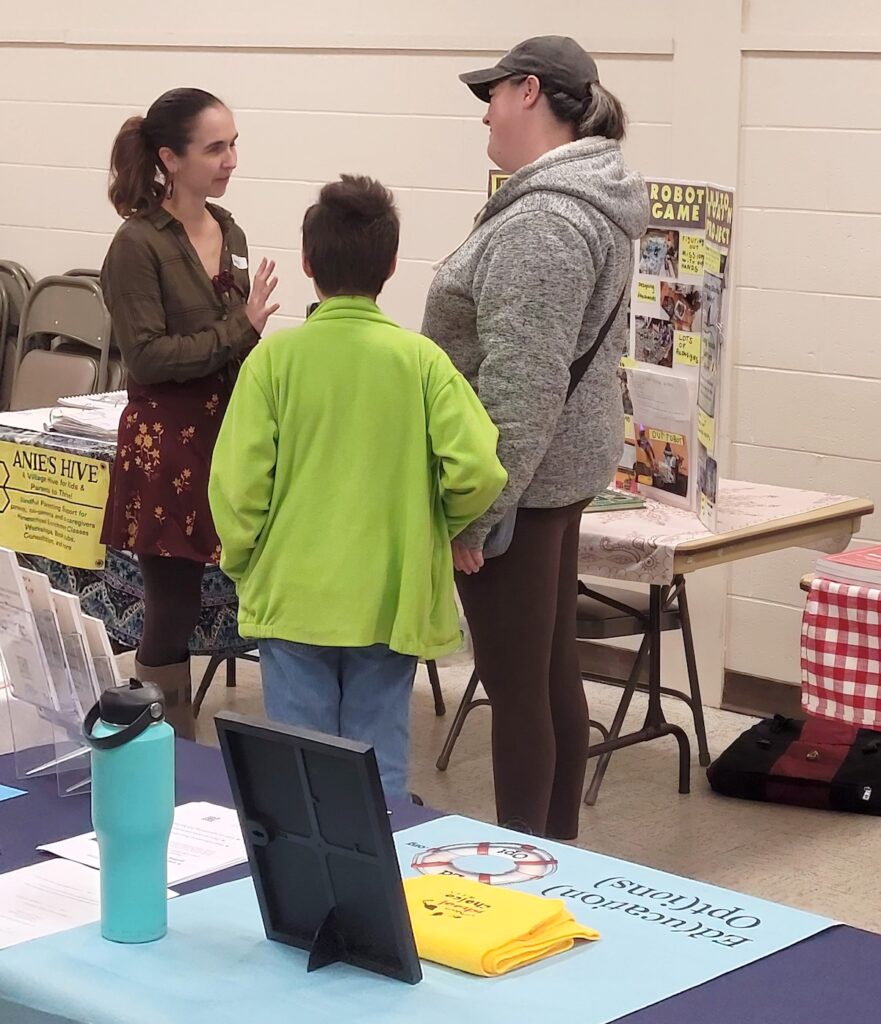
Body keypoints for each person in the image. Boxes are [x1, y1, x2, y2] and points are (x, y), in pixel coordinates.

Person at [208, 175, 507, 798]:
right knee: (380, 765)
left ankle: (306, 891)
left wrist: (245, 561)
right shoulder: (421, 360)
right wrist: (442, 526)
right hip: (389, 594)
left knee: (302, 767)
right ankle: (382, 883)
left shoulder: (273, 360)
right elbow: (480, 468)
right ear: (393, 265)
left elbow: (237, 487)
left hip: (292, 593)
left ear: (306, 262)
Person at [421, 36, 650, 838]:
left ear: (527, 91)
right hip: (551, 475)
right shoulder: (575, 200)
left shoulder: (544, 222)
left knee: (517, 686)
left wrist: (476, 512)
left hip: (515, 481)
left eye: (491, 94)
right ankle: (559, 856)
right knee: (548, 673)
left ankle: (527, 867)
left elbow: (522, 389)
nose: (483, 112)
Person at [100, 88, 279, 737]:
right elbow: (148, 358)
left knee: (223, 586)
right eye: (215, 147)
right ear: (170, 158)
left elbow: (235, 336)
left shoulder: (228, 228)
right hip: (165, 443)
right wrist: (243, 327)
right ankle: (162, 739)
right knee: (170, 605)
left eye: (233, 144)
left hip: (223, 433)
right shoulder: (136, 244)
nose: (230, 159)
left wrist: (249, 337)